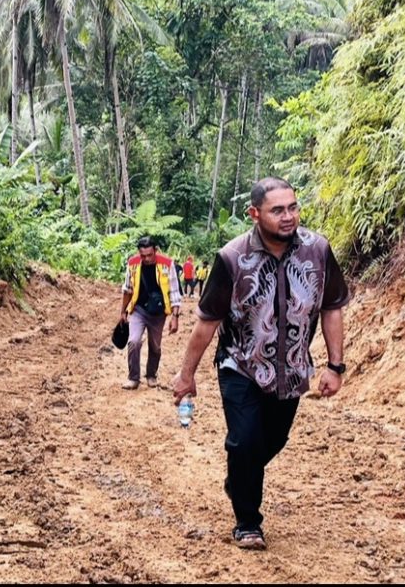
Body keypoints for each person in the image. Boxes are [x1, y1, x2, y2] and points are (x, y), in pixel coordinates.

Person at [172, 177, 350, 550]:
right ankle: (248, 522)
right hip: (240, 366)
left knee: (271, 441)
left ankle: (239, 476)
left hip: (293, 371)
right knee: (246, 440)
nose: (289, 217)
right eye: (277, 210)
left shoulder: (318, 250)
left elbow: (332, 307)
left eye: (293, 207)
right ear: (254, 214)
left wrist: (335, 365)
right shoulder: (231, 258)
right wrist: (186, 375)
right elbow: (206, 323)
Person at [119, 236, 182, 390]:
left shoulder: (167, 265)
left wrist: (175, 317)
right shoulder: (133, 264)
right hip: (138, 309)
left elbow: (174, 292)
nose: (146, 259)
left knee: (155, 346)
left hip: (158, 313)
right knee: (133, 342)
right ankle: (133, 377)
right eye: (143, 255)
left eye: (149, 255)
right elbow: (127, 289)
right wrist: (123, 311)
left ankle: (151, 375)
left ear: (155, 250)